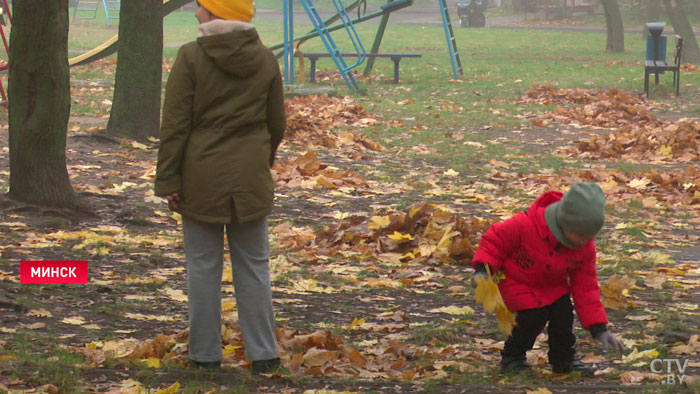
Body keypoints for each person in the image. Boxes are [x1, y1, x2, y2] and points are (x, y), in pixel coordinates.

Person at [154, 0, 286, 374]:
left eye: (202, 7)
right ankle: (264, 355)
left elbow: (175, 124)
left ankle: (205, 355)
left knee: (202, 267)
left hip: (199, 176)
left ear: (217, 13)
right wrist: (261, 162)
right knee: (255, 267)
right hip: (249, 177)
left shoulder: (191, 56)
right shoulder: (265, 58)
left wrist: (168, 179)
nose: (196, 13)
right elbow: (276, 123)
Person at [471, 182, 626, 375]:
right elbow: (495, 242)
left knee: (563, 314)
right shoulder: (526, 224)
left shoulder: (584, 249)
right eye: (581, 235)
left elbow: (586, 287)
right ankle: (512, 356)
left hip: (551, 286)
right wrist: (483, 269)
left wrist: (599, 328)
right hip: (516, 281)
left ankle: (563, 359)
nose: (586, 241)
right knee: (534, 316)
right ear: (565, 224)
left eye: (590, 236)